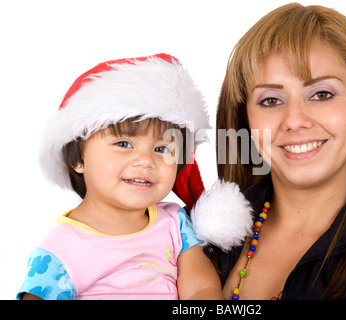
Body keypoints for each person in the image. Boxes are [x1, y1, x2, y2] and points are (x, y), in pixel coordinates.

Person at [210, 3, 346, 299]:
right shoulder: (188, 235)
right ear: (246, 121)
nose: (294, 121)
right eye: (271, 100)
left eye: (322, 94)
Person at [17, 53, 228, 300]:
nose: (146, 160)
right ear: (78, 159)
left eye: (162, 149)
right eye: (124, 143)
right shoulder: (58, 250)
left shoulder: (176, 223)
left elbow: (202, 289)